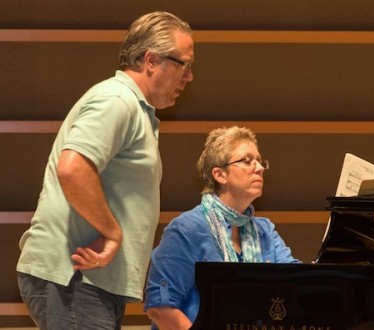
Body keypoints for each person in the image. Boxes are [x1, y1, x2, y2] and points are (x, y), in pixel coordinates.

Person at [16, 11, 194, 330]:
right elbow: (72, 168)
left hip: (88, 282)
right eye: (184, 64)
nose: (189, 76)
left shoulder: (133, 108)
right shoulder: (117, 100)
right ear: (151, 60)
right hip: (74, 279)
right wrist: (112, 232)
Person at [144, 126, 301, 329]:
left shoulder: (265, 231)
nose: (260, 168)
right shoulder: (187, 230)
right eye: (247, 160)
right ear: (220, 175)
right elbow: (160, 308)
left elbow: (297, 284)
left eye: (259, 161)